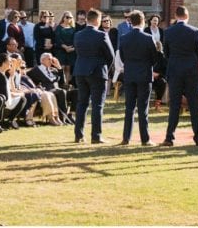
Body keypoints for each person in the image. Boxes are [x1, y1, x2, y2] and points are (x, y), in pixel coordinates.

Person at [72, 8, 115, 144]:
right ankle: (96, 136)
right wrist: (106, 70)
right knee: (97, 105)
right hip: (97, 71)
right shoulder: (101, 35)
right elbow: (111, 56)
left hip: (80, 70)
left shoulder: (78, 35)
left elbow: (78, 52)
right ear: (97, 20)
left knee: (81, 104)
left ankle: (78, 135)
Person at [162, 5, 198, 147]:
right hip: (191, 70)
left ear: (175, 15)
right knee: (194, 104)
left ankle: (169, 137)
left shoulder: (168, 32)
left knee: (174, 104)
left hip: (175, 70)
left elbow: (166, 53)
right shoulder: (194, 31)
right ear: (187, 16)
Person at [118, 10, 157, 145]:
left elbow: (122, 57)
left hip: (129, 75)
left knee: (129, 108)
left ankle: (126, 137)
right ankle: (145, 139)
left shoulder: (124, 38)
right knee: (143, 108)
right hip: (144, 75)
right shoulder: (148, 37)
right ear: (143, 21)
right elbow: (154, 58)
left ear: (131, 21)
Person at [0, 52, 30, 128]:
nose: (11, 64)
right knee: (23, 99)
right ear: (3, 63)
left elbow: (11, 75)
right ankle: (10, 120)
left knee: (23, 98)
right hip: (1, 100)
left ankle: (10, 121)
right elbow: (6, 96)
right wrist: (19, 94)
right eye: (9, 62)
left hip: (1, 98)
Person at [28, 53, 73, 122]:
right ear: (42, 60)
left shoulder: (53, 70)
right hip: (47, 91)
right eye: (49, 59)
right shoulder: (35, 70)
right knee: (61, 92)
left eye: (52, 59)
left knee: (76, 92)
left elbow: (62, 82)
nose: (51, 61)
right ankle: (63, 117)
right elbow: (28, 80)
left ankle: (70, 114)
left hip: (58, 89)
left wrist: (59, 67)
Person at [54, 11, 77, 79]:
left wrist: (71, 48)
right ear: (63, 18)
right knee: (61, 67)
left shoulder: (73, 29)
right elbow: (57, 38)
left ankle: (66, 84)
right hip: (61, 50)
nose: (68, 19)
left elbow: (74, 39)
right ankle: (60, 84)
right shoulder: (59, 27)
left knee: (68, 68)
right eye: (67, 17)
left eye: (70, 17)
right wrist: (65, 47)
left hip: (70, 51)